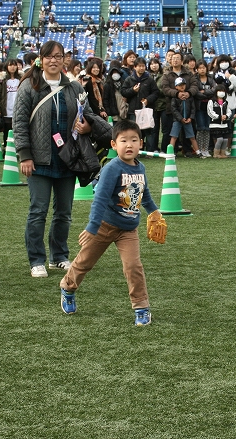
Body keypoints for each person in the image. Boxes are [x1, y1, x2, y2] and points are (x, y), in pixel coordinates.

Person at [59, 119, 159, 326]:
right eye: (124, 140)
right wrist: (92, 227)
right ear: (114, 145)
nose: (129, 145)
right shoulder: (112, 168)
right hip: (104, 226)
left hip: (128, 230)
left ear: (141, 143)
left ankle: (141, 306)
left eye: (134, 140)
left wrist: (155, 212)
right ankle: (68, 288)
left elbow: (144, 194)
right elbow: (100, 198)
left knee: (133, 266)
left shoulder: (140, 168)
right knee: (84, 262)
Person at [13, 40, 91, 278]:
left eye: (59, 56)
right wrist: (24, 155)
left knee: (64, 212)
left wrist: (87, 127)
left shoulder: (74, 87)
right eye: (49, 56)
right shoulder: (29, 86)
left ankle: (59, 256)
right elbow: (19, 123)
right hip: (38, 160)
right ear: (41, 59)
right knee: (38, 210)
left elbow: (86, 115)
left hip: (67, 159)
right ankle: (36, 259)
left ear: (64, 59)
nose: (54, 60)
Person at [169, 77, 201, 157]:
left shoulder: (189, 96)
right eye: (180, 85)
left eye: (183, 85)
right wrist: (180, 118)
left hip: (188, 120)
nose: (182, 87)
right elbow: (174, 109)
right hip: (177, 120)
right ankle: (170, 153)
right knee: (174, 136)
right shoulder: (175, 97)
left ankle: (198, 152)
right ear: (176, 87)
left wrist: (191, 117)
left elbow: (193, 108)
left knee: (192, 137)